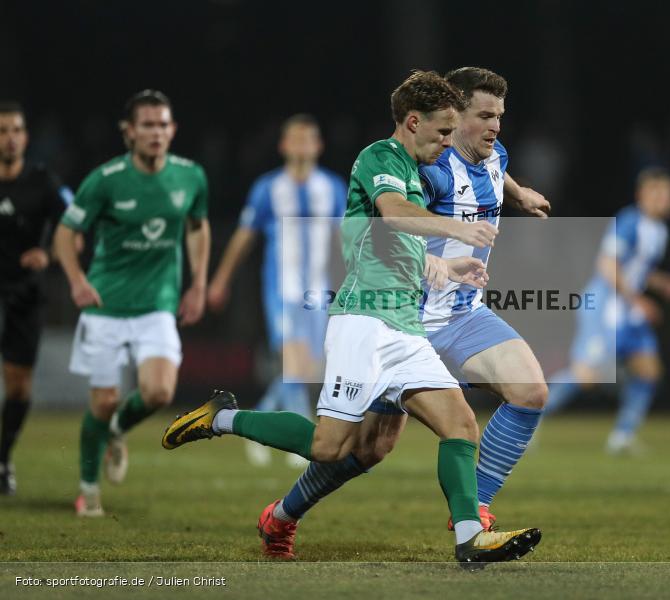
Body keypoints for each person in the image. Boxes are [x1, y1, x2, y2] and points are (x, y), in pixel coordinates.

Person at [162, 71, 541, 566]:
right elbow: (392, 212)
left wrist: (448, 264)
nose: (449, 142)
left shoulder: (425, 162)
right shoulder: (380, 159)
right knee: (329, 446)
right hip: (364, 320)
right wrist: (455, 229)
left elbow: (407, 243)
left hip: (406, 324)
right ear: (413, 122)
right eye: (444, 132)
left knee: (460, 426)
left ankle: (471, 538)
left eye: (455, 132)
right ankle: (221, 417)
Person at [273, 67, 552, 532]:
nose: (495, 126)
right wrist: (430, 263)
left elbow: (495, 170)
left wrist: (520, 193)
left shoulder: (492, 152)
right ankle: (283, 514)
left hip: (463, 314)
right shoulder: (426, 168)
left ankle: (473, 510)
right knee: (365, 450)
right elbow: (395, 224)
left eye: (499, 116)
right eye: (484, 116)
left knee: (530, 392)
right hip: (407, 317)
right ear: (453, 116)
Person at [54, 90, 211, 516]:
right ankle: (89, 489)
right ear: (129, 132)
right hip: (105, 303)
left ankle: (118, 431)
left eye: (163, 124)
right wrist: (76, 281)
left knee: (159, 391)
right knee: (102, 401)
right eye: (147, 125)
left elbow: (198, 227)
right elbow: (65, 235)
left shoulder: (190, 177)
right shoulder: (104, 180)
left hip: (156, 305)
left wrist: (197, 285)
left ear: (172, 129)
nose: (156, 133)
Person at [207, 114, 346, 467]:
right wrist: (221, 279)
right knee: (294, 362)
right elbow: (244, 236)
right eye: (294, 139)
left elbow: (348, 240)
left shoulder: (331, 187)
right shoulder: (268, 188)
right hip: (280, 292)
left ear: (318, 146)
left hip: (317, 293)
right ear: (283, 146)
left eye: (307, 138)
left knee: (303, 367)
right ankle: (296, 438)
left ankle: (256, 425)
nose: (301, 145)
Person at [544, 167, 670, 455]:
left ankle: (622, 436)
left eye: (668, 194)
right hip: (605, 310)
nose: (663, 199)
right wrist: (639, 300)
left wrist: (660, 282)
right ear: (641, 195)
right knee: (585, 376)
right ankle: (523, 417)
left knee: (649, 369)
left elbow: (636, 268)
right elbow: (607, 265)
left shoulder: (659, 230)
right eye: (657, 193)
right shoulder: (631, 222)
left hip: (627, 312)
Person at [0, 101, 74, 495]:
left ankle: (3, 458)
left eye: (16, 130)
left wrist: (50, 253)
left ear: (25, 137)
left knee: (18, 388)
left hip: (25, 293)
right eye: (3, 131)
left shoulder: (42, 181)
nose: (10, 138)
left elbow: (75, 219)